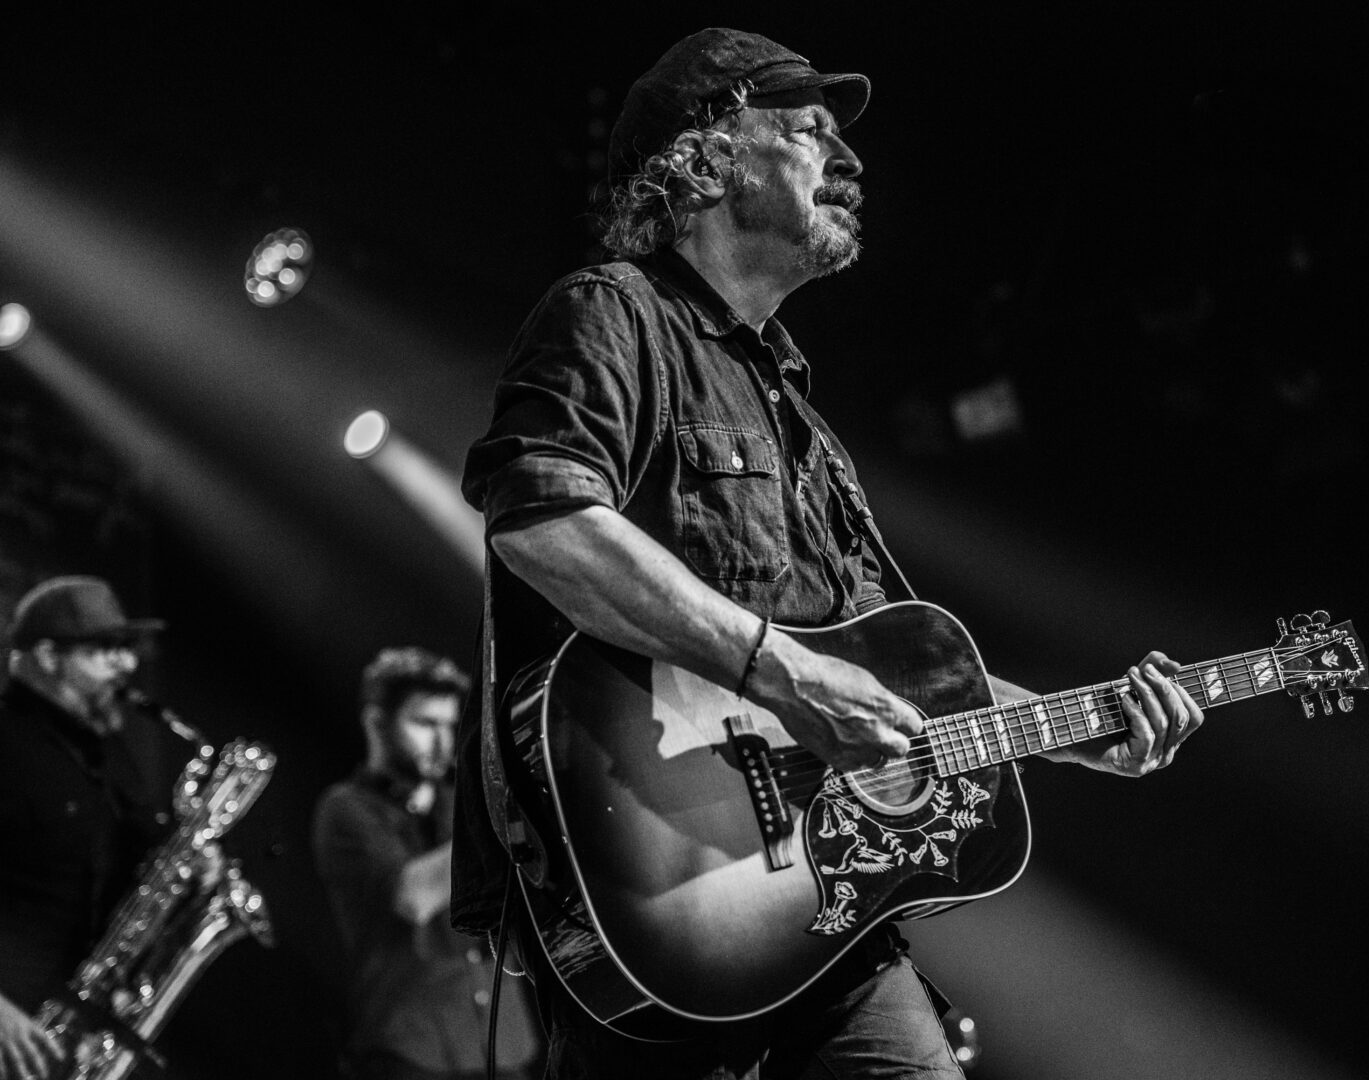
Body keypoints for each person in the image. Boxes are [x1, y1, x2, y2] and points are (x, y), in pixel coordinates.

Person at [452, 27, 1205, 1079]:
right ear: (705, 158)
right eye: (808, 130)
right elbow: (544, 523)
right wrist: (786, 675)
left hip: (831, 918)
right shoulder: (612, 313)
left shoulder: (804, 424)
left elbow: (897, 680)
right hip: (661, 884)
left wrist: (1074, 733)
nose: (848, 158)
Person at [312, 647, 539, 1080]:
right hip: (411, 1048)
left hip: (504, 1045)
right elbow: (412, 899)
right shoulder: (345, 808)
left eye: (449, 726)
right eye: (424, 724)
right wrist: (503, 819)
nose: (442, 742)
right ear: (376, 722)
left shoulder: (461, 803)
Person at [0, 576, 178, 1080]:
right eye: (106, 650)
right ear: (48, 657)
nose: (127, 665)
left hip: (77, 1029)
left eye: (127, 649)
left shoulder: (107, 753)